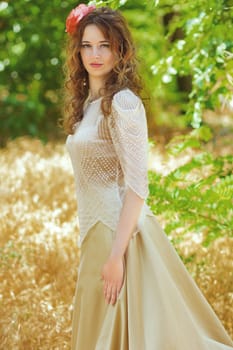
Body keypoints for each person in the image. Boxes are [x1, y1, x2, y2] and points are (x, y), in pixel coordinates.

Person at [63, 4, 233, 350]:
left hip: (119, 236)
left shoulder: (122, 103)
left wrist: (115, 256)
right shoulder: (87, 105)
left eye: (104, 45)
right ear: (78, 51)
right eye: (87, 45)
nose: (95, 54)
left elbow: (137, 187)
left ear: (119, 50)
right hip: (92, 233)